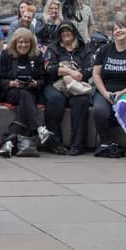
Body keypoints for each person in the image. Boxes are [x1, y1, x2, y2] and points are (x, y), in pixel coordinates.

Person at [0, 28, 53, 156]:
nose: (23, 45)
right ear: (15, 43)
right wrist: (10, 83)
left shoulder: (37, 56)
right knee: (23, 95)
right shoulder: (6, 55)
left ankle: (8, 142)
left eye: (27, 42)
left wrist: (36, 83)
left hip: (31, 92)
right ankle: (38, 128)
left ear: (31, 43)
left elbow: (44, 79)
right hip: (11, 92)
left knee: (25, 100)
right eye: (20, 42)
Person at [44, 21, 93, 156]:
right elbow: (49, 68)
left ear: (74, 33)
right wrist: (69, 73)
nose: (65, 34)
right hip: (56, 84)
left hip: (77, 85)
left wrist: (77, 75)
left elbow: (89, 69)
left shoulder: (84, 49)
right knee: (54, 100)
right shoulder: (53, 48)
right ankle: (55, 143)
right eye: (62, 32)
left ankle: (77, 145)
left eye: (68, 31)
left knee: (81, 102)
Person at [92, 13, 126, 157]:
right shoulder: (104, 50)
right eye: (115, 29)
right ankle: (106, 142)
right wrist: (105, 93)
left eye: (122, 27)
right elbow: (96, 74)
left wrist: (121, 93)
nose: (118, 31)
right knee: (99, 110)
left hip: (124, 91)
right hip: (105, 90)